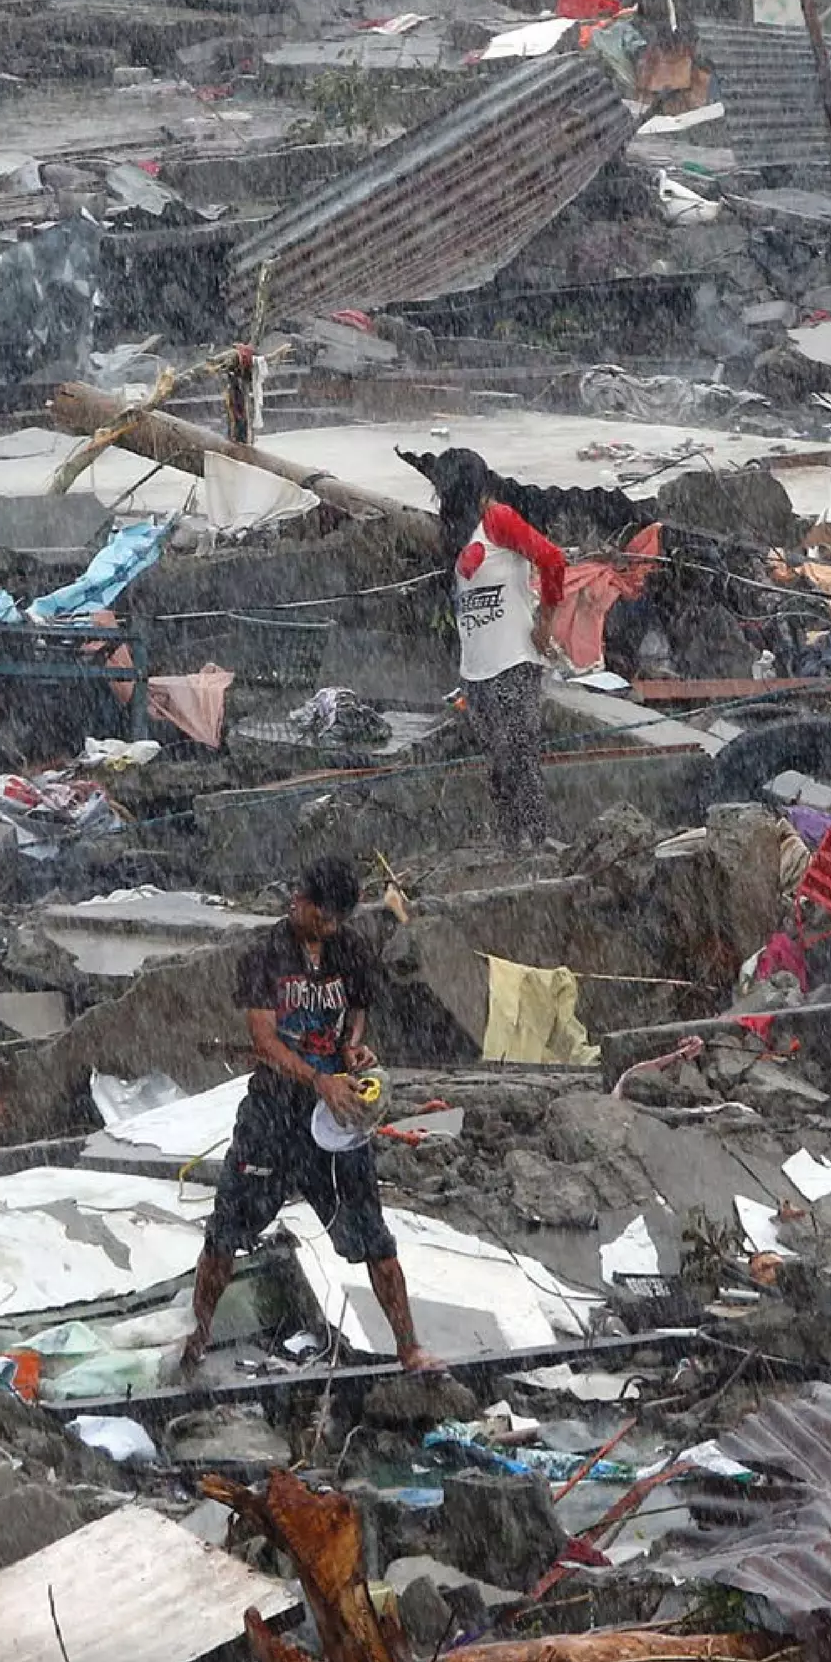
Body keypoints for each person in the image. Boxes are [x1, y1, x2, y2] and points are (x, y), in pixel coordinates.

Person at [182, 858, 440, 1373]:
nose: (327, 928)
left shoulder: (350, 950)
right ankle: (197, 1338)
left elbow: (357, 1015)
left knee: (371, 1232)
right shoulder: (266, 956)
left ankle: (409, 1348)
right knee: (227, 1228)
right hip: (274, 1111)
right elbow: (264, 1040)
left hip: (338, 1120)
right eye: (320, 917)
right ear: (299, 901)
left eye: (334, 921)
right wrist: (317, 1078)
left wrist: (352, 1051)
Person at [444, 466, 568, 854]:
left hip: (513, 660)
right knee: (497, 764)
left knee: (520, 755)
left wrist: (545, 623)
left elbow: (552, 559)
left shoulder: (497, 519)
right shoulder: (461, 531)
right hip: (476, 669)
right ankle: (510, 843)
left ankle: (536, 839)